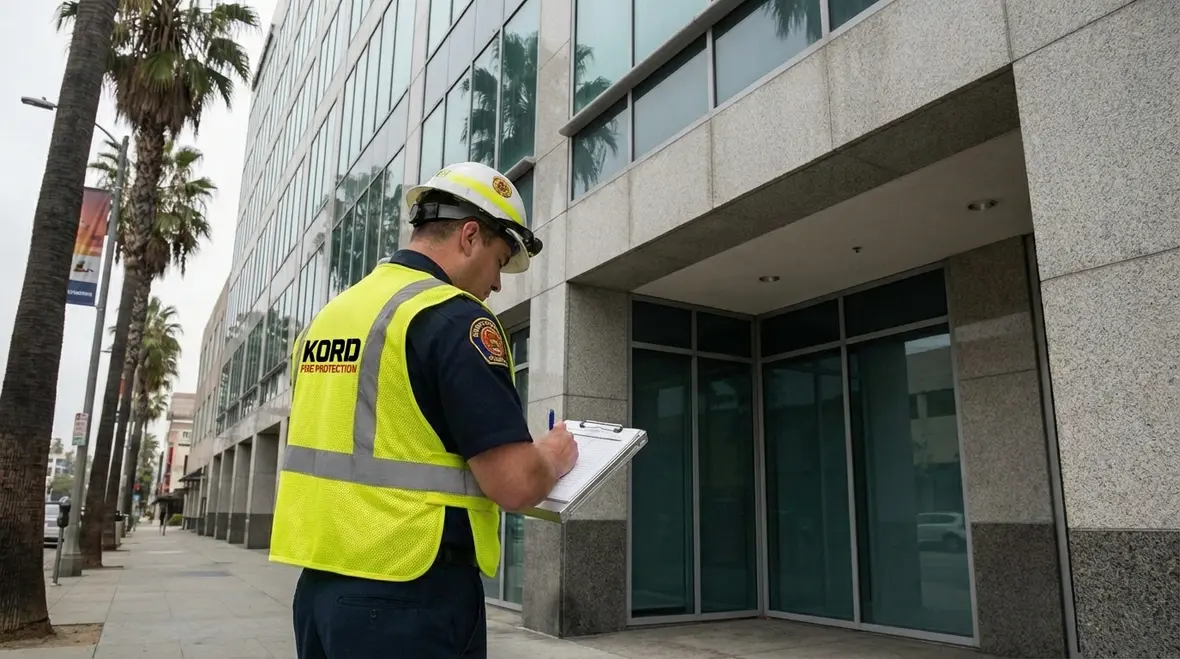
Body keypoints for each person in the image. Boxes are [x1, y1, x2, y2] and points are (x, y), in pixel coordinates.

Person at [270, 161, 580, 659]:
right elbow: (515, 484)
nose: (497, 285)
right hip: (409, 591)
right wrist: (554, 454)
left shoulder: (330, 318)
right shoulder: (455, 318)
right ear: (470, 236)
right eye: (500, 261)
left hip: (319, 592)